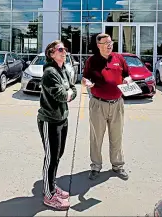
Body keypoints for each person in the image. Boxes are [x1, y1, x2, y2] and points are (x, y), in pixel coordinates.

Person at [82, 33, 132, 181]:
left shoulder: (119, 58)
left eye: (111, 42)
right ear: (98, 45)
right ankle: (96, 167)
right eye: (106, 43)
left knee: (116, 136)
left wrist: (128, 80)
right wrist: (86, 83)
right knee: (96, 137)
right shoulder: (92, 61)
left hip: (117, 103)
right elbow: (85, 77)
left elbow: (128, 75)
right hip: (98, 104)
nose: (109, 45)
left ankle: (117, 165)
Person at [37, 40, 77, 210]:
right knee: (51, 157)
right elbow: (61, 95)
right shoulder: (50, 72)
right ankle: (48, 195)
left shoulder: (63, 70)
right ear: (51, 53)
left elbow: (73, 90)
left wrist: (68, 93)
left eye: (65, 49)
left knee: (58, 154)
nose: (64, 52)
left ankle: (52, 186)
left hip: (62, 118)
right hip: (49, 120)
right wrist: (68, 93)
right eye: (60, 49)